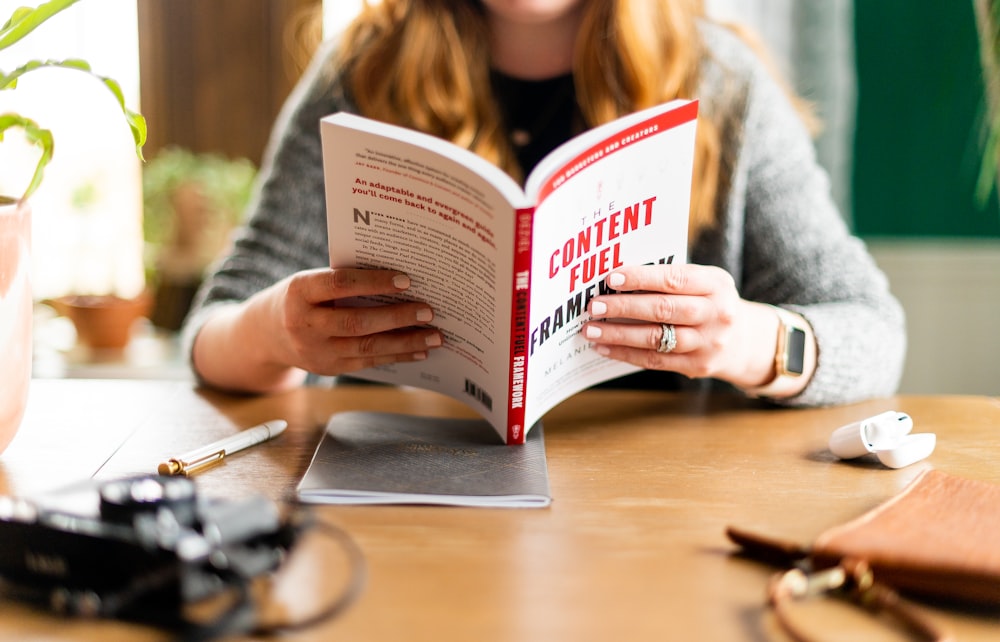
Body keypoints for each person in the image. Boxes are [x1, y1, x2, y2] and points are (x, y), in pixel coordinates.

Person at [182, 0, 906, 407]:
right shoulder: (358, 72)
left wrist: (747, 340)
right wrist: (277, 330)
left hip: (659, 515)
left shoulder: (720, 80)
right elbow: (211, 337)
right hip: (403, 503)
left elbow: (873, 333)